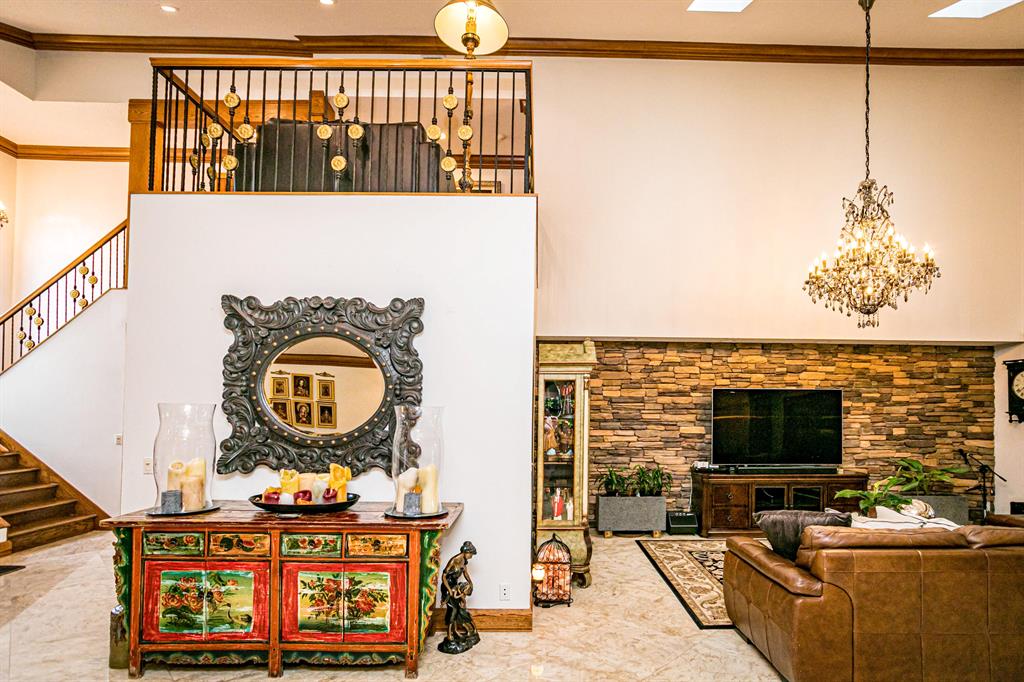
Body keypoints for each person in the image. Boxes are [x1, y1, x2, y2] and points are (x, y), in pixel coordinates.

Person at [438, 541, 480, 654]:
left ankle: (455, 631)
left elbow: (465, 572)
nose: (471, 556)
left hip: (455, 587)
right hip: (448, 587)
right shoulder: (454, 560)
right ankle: (449, 635)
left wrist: (470, 582)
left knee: (457, 610)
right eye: (471, 554)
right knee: (453, 610)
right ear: (466, 552)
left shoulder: (464, 560)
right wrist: (449, 590)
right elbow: (444, 576)